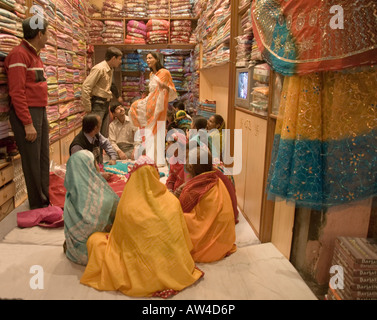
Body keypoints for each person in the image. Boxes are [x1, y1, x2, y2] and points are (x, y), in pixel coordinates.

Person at [80, 156, 203, 298]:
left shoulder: (127, 206)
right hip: (173, 266)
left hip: (139, 267)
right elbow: (182, 240)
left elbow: (119, 239)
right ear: (155, 173)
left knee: (95, 241)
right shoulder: (172, 203)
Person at [4, 16, 50, 210]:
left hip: (39, 110)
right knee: (32, 161)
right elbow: (17, 91)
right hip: (29, 113)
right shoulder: (19, 55)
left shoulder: (34, 55)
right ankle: (38, 204)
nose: (48, 37)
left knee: (42, 158)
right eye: (47, 33)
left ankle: (45, 199)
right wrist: (27, 122)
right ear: (39, 34)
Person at [179, 145, 237, 263]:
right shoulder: (217, 179)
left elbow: (180, 209)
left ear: (191, 167)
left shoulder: (192, 189)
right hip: (225, 242)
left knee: (174, 217)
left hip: (205, 248)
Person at [63, 150, 119, 265]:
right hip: (101, 247)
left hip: (78, 252)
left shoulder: (71, 199)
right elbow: (119, 222)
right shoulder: (106, 195)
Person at [129, 52, 177, 163]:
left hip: (160, 106)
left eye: (150, 58)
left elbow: (173, 92)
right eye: (147, 58)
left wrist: (164, 86)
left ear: (157, 59)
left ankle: (159, 160)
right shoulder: (151, 75)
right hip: (150, 104)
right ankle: (151, 159)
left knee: (158, 132)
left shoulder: (165, 73)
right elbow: (152, 91)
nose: (148, 60)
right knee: (148, 132)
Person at [81, 47, 123, 137]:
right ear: (113, 58)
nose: (120, 62)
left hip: (105, 103)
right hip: (97, 104)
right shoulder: (99, 69)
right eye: (119, 59)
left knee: (103, 135)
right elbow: (86, 87)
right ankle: (94, 151)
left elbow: (110, 86)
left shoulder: (110, 69)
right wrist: (88, 107)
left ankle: (100, 151)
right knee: (95, 133)